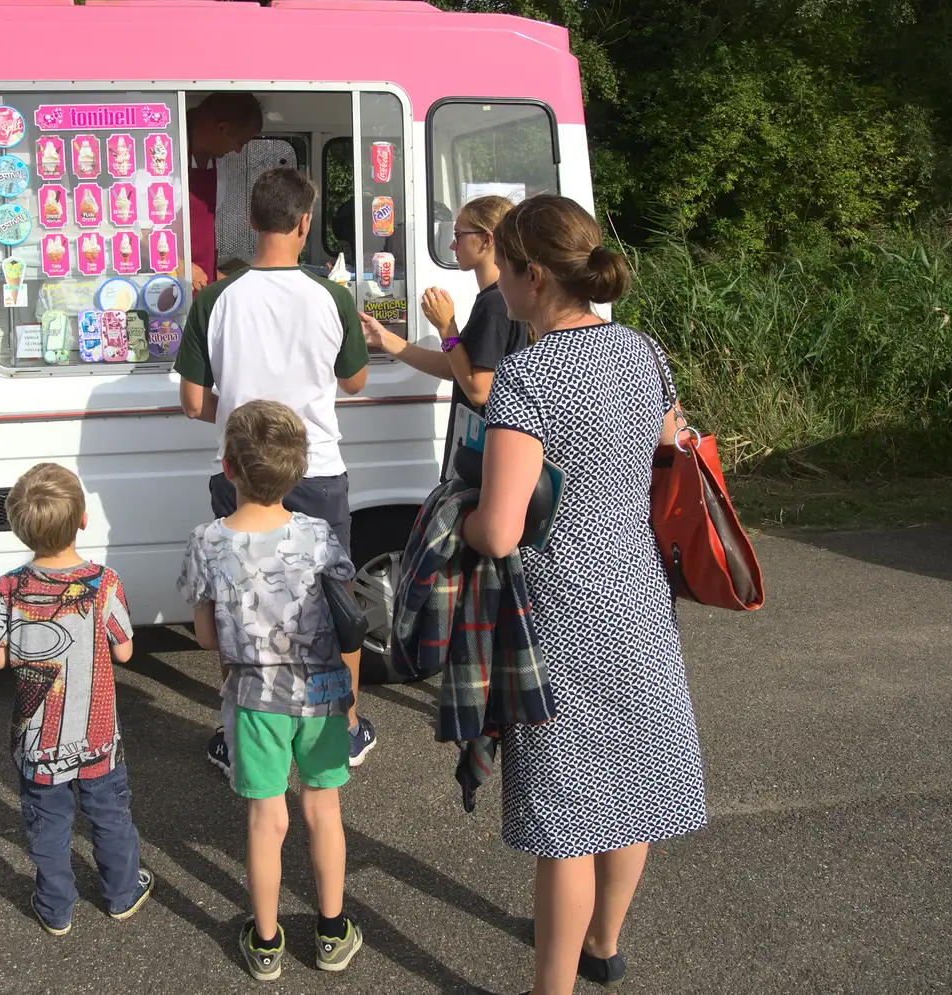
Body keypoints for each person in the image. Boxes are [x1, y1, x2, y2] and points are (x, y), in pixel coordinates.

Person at [460, 195, 707, 995]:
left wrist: (457, 523)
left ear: (534, 276)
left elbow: (499, 530)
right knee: (629, 784)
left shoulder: (528, 376)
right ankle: (603, 943)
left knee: (567, 817)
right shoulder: (642, 350)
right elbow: (671, 440)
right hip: (638, 595)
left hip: (561, 611)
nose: (496, 283)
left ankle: (551, 989)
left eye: (502, 267)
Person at [176, 166, 381, 773]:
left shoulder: (214, 299)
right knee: (333, 598)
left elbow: (192, 401)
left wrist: (236, 422)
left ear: (252, 221)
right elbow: (356, 379)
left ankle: (239, 724)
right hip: (317, 468)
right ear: (304, 223)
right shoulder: (331, 297)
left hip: (239, 470)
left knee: (237, 601)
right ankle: (340, 726)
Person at [178, 400, 364, 980]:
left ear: (227, 468)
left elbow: (208, 636)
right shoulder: (318, 534)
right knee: (322, 809)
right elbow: (345, 612)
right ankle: (332, 931)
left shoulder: (208, 541)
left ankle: (265, 942)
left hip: (256, 697)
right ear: (300, 471)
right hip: (324, 691)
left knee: (267, 820)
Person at [0, 462, 153, 935]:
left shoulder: (9, 586)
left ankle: (55, 906)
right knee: (110, 817)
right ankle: (122, 892)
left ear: (19, 528)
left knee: (48, 824)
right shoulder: (104, 583)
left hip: (37, 741)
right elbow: (125, 651)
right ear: (83, 519)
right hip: (97, 736)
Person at [359, 194, 527, 472]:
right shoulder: (494, 299)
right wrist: (383, 338)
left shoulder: (495, 304)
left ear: (486, 240)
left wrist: (446, 327)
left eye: (459, 235)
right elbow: (457, 367)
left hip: (483, 463)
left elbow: (478, 390)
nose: (452, 245)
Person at [188, 92, 264, 292]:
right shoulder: (163, 156)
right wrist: (179, 266)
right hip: (168, 289)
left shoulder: (217, 164)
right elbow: (136, 232)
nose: (239, 151)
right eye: (241, 142)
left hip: (201, 288)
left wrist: (221, 278)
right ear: (223, 128)